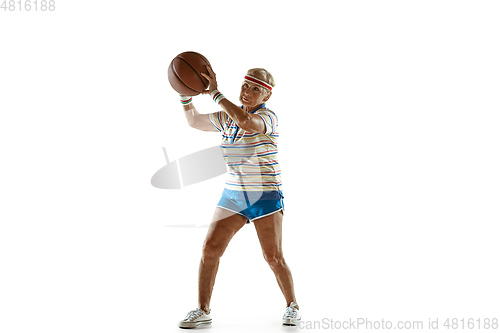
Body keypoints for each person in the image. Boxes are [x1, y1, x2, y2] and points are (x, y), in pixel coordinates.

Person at [177, 66, 300, 328]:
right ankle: (203, 310)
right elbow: (194, 120)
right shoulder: (226, 118)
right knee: (210, 249)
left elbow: (246, 122)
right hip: (233, 194)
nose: (248, 92)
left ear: (265, 96)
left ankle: (292, 306)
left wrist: (214, 92)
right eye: (246, 85)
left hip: (264, 193)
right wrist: (184, 94)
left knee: (273, 256)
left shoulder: (268, 117)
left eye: (256, 89)